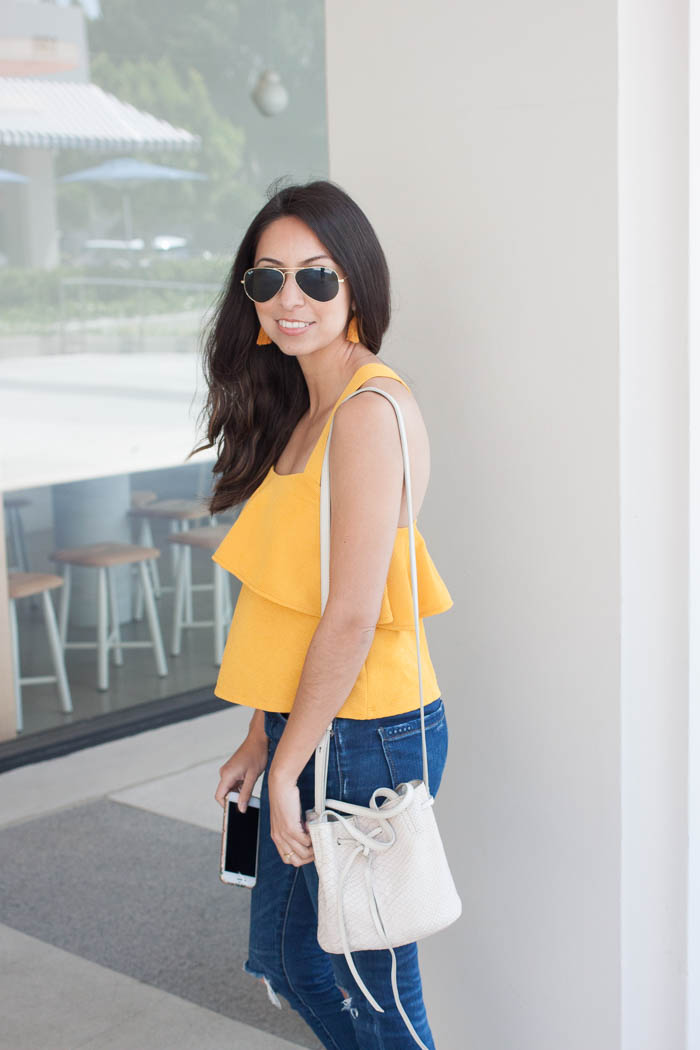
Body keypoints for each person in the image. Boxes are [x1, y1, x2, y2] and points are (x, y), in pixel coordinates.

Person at [197, 178, 454, 1049]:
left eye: (316, 275)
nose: (290, 299)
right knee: (289, 957)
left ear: (358, 284)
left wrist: (287, 764)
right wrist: (261, 736)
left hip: (363, 730)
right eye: (267, 280)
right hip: (314, 723)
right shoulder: (306, 410)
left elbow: (348, 615)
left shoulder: (365, 411)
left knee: (365, 978)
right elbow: (297, 606)